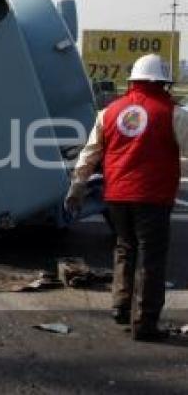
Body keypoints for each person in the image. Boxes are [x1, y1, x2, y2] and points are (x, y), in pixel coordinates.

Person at [66, 53, 187, 342]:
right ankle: (144, 322)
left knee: (125, 246)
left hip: (117, 195)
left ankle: (120, 306)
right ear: (162, 82)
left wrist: (77, 186)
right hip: (153, 196)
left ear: (133, 80)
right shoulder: (173, 112)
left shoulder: (109, 112)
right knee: (151, 257)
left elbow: (90, 153)